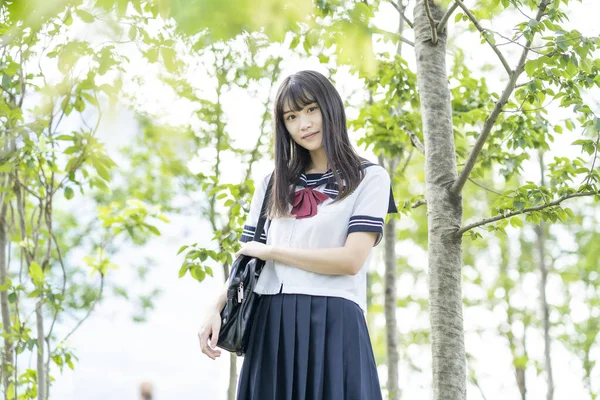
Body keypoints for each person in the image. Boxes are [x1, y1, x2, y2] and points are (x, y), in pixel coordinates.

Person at [198, 70, 397, 399]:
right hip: (272, 324)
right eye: (291, 116)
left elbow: (350, 260)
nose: (303, 124)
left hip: (334, 321)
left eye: (311, 109)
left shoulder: (370, 178)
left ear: (330, 108)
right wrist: (214, 309)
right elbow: (247, 259)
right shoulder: (273, 183)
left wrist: (273, 252)